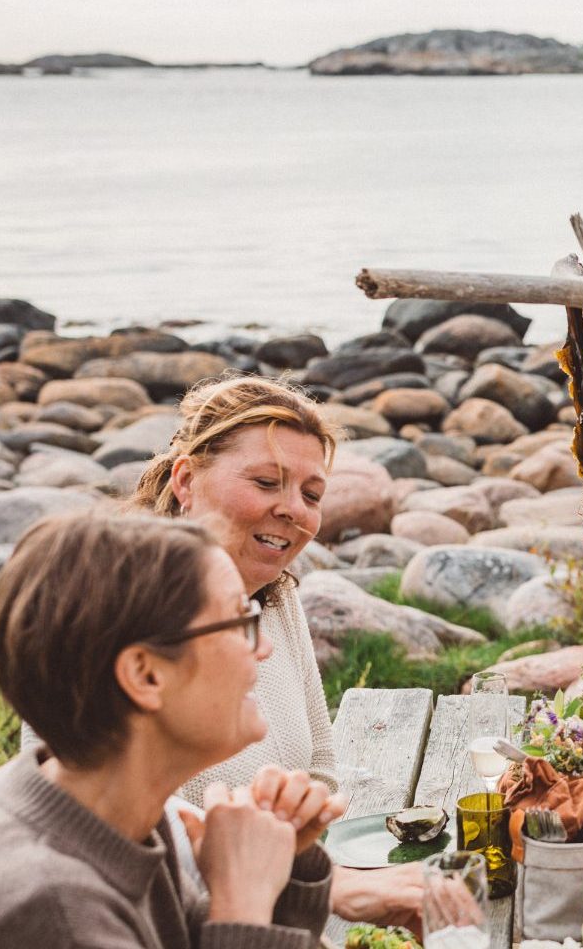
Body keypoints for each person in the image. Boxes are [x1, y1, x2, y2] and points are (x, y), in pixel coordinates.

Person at [0, 513, 340, 948]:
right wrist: (243, 902)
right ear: (145, 675)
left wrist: (282, 864)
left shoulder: (104, 805)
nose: (264, 649)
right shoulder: (53, 909)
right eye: (241, 622)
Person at [131, 372, 425, 926]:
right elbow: (124, 838)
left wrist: (315, 866)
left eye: (311, 494)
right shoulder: (125, 622)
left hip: (278, 902)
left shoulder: (277, 597)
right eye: (268, 483)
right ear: (186, 480)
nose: (295, 510)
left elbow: (320, 770)